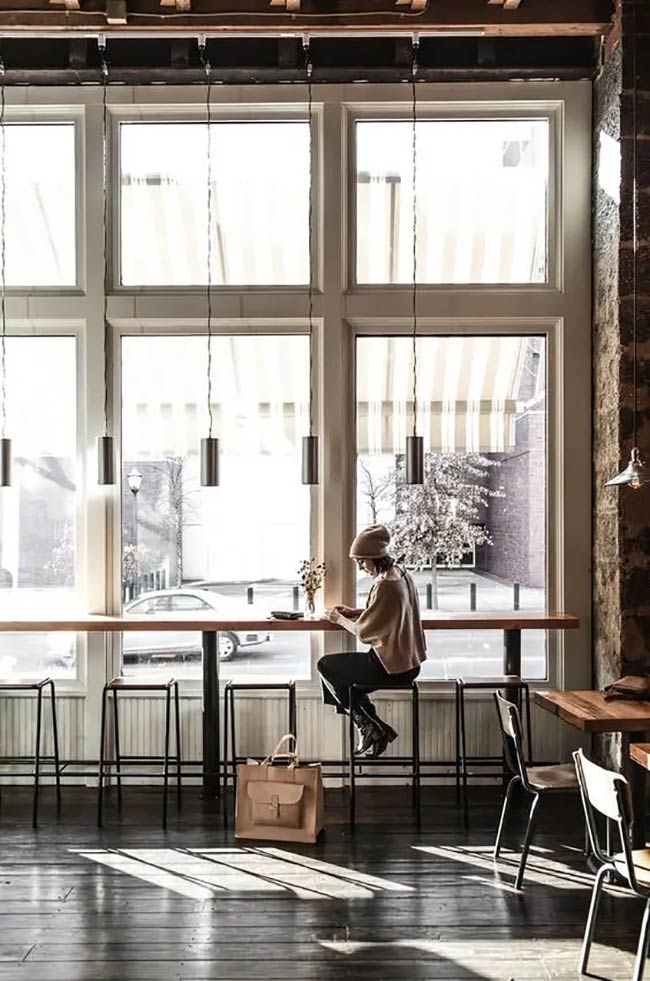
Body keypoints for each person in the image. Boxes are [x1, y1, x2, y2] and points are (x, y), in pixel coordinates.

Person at [319, 524, 426, 758]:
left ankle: (370, 727)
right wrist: (355, 611)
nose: (360, 567)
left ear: (374, 557)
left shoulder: (385, 584)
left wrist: (338, 618)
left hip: (391, 666)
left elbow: (364, 632)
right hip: (410, 663)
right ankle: (373, 727)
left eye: (361, 561)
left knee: (326, 667)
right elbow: (386, 613)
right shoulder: (401, 574)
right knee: (345, 686)